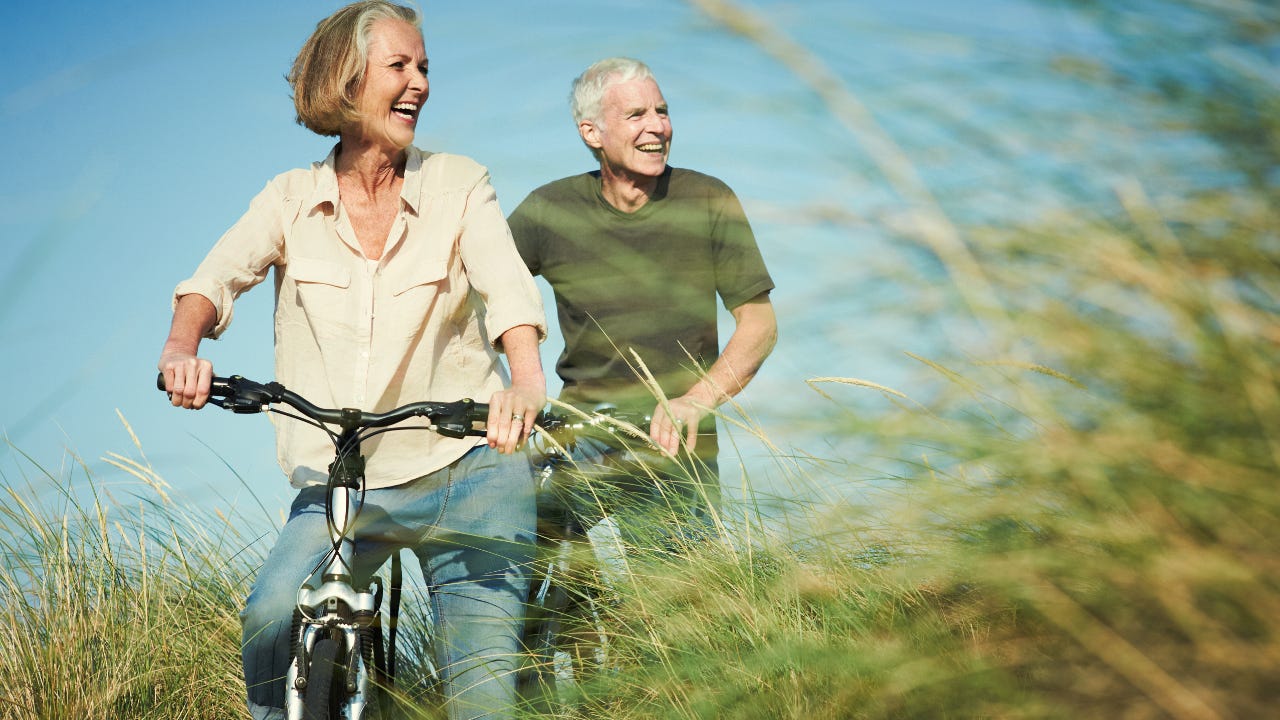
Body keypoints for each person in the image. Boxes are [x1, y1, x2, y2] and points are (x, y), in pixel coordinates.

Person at [156, 3, 545, 718]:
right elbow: (214, 278)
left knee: (483, 695)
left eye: (424, 67)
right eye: (400, 66)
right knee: (273, 615)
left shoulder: (459, 183)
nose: (420, 83)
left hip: (469, 469)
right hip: (345, 480)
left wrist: (524, 381)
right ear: (347, 80)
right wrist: (183, 349)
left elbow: (507, 287)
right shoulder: (290, 199)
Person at [507, 57, 777, 533]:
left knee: (677, 598)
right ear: (592, 133)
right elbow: (487, 290)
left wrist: (697, 400)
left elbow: (760, 324)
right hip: (580, 427)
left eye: (662, 111)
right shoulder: (547, 210)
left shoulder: (709, 199)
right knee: (521, 544)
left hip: (674, 432)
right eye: (636, 115)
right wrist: (523, 379)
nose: (658, 126)